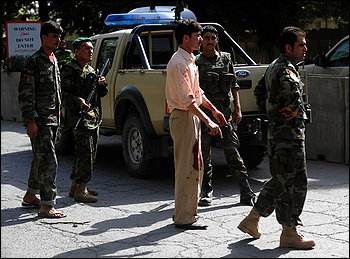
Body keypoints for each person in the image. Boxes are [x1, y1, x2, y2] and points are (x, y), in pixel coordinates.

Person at [237, 26, 315, 249]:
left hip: (277, 134)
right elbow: (292, 98)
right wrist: (288, 111)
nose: (305, 48)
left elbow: (259, 92)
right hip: (289, 136)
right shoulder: (286, 71)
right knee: (295, 182)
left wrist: (271, 112)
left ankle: (255, 220)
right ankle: (288, 230)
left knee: (281, 179)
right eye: (301, 44)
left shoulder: (274, 66)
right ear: (288, 47)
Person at [166, 19, 228, 230]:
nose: (201, 40)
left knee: (196, 166)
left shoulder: (189, 59)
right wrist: (208, 120)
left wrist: (214, 110)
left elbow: (198, 93)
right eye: (197, 36)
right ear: (186, 38)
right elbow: (187, 100)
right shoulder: (179, 62)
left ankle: (189, 213)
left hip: (190, 116)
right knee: (187, 167)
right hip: (183, 117)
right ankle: (184, 217)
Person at [195, 25, 256, 207]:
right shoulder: (195, 61)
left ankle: (245, 190)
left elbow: (234, 85)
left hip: (225, 115)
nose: (210, 41)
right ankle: (207, 190)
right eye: (206, 38)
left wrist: (238, 108)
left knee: (232, 151)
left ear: (217, 40)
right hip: (205, 114)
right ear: (202, 40)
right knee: (204, 154)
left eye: (213, 38)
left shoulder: (226, 59)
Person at [18, 21, 66, 218]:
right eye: (54, 36)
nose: (58, 40)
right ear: (44, 37)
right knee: (49, 161)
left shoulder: (53, 59)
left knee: (40, 158)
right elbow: (25, 93)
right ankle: (47, 204)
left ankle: (30, 196)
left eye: (59, 36)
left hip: (53, 119)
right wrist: (31, 120)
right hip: (40, 120)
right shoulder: (34, 61)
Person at [60, 37, 108, 203]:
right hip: (78, 118)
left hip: (93, 117)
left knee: (89, 152)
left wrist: (102, 84)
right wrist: (77, 101)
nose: (90, 51)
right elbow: (62, 95)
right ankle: (81, 188)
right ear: (76, 51)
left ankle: (76, 187)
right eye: (86, 48)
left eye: (91, 48)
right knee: (85, 153)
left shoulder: (91, 69)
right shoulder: (69, 69)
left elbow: (100, 94)